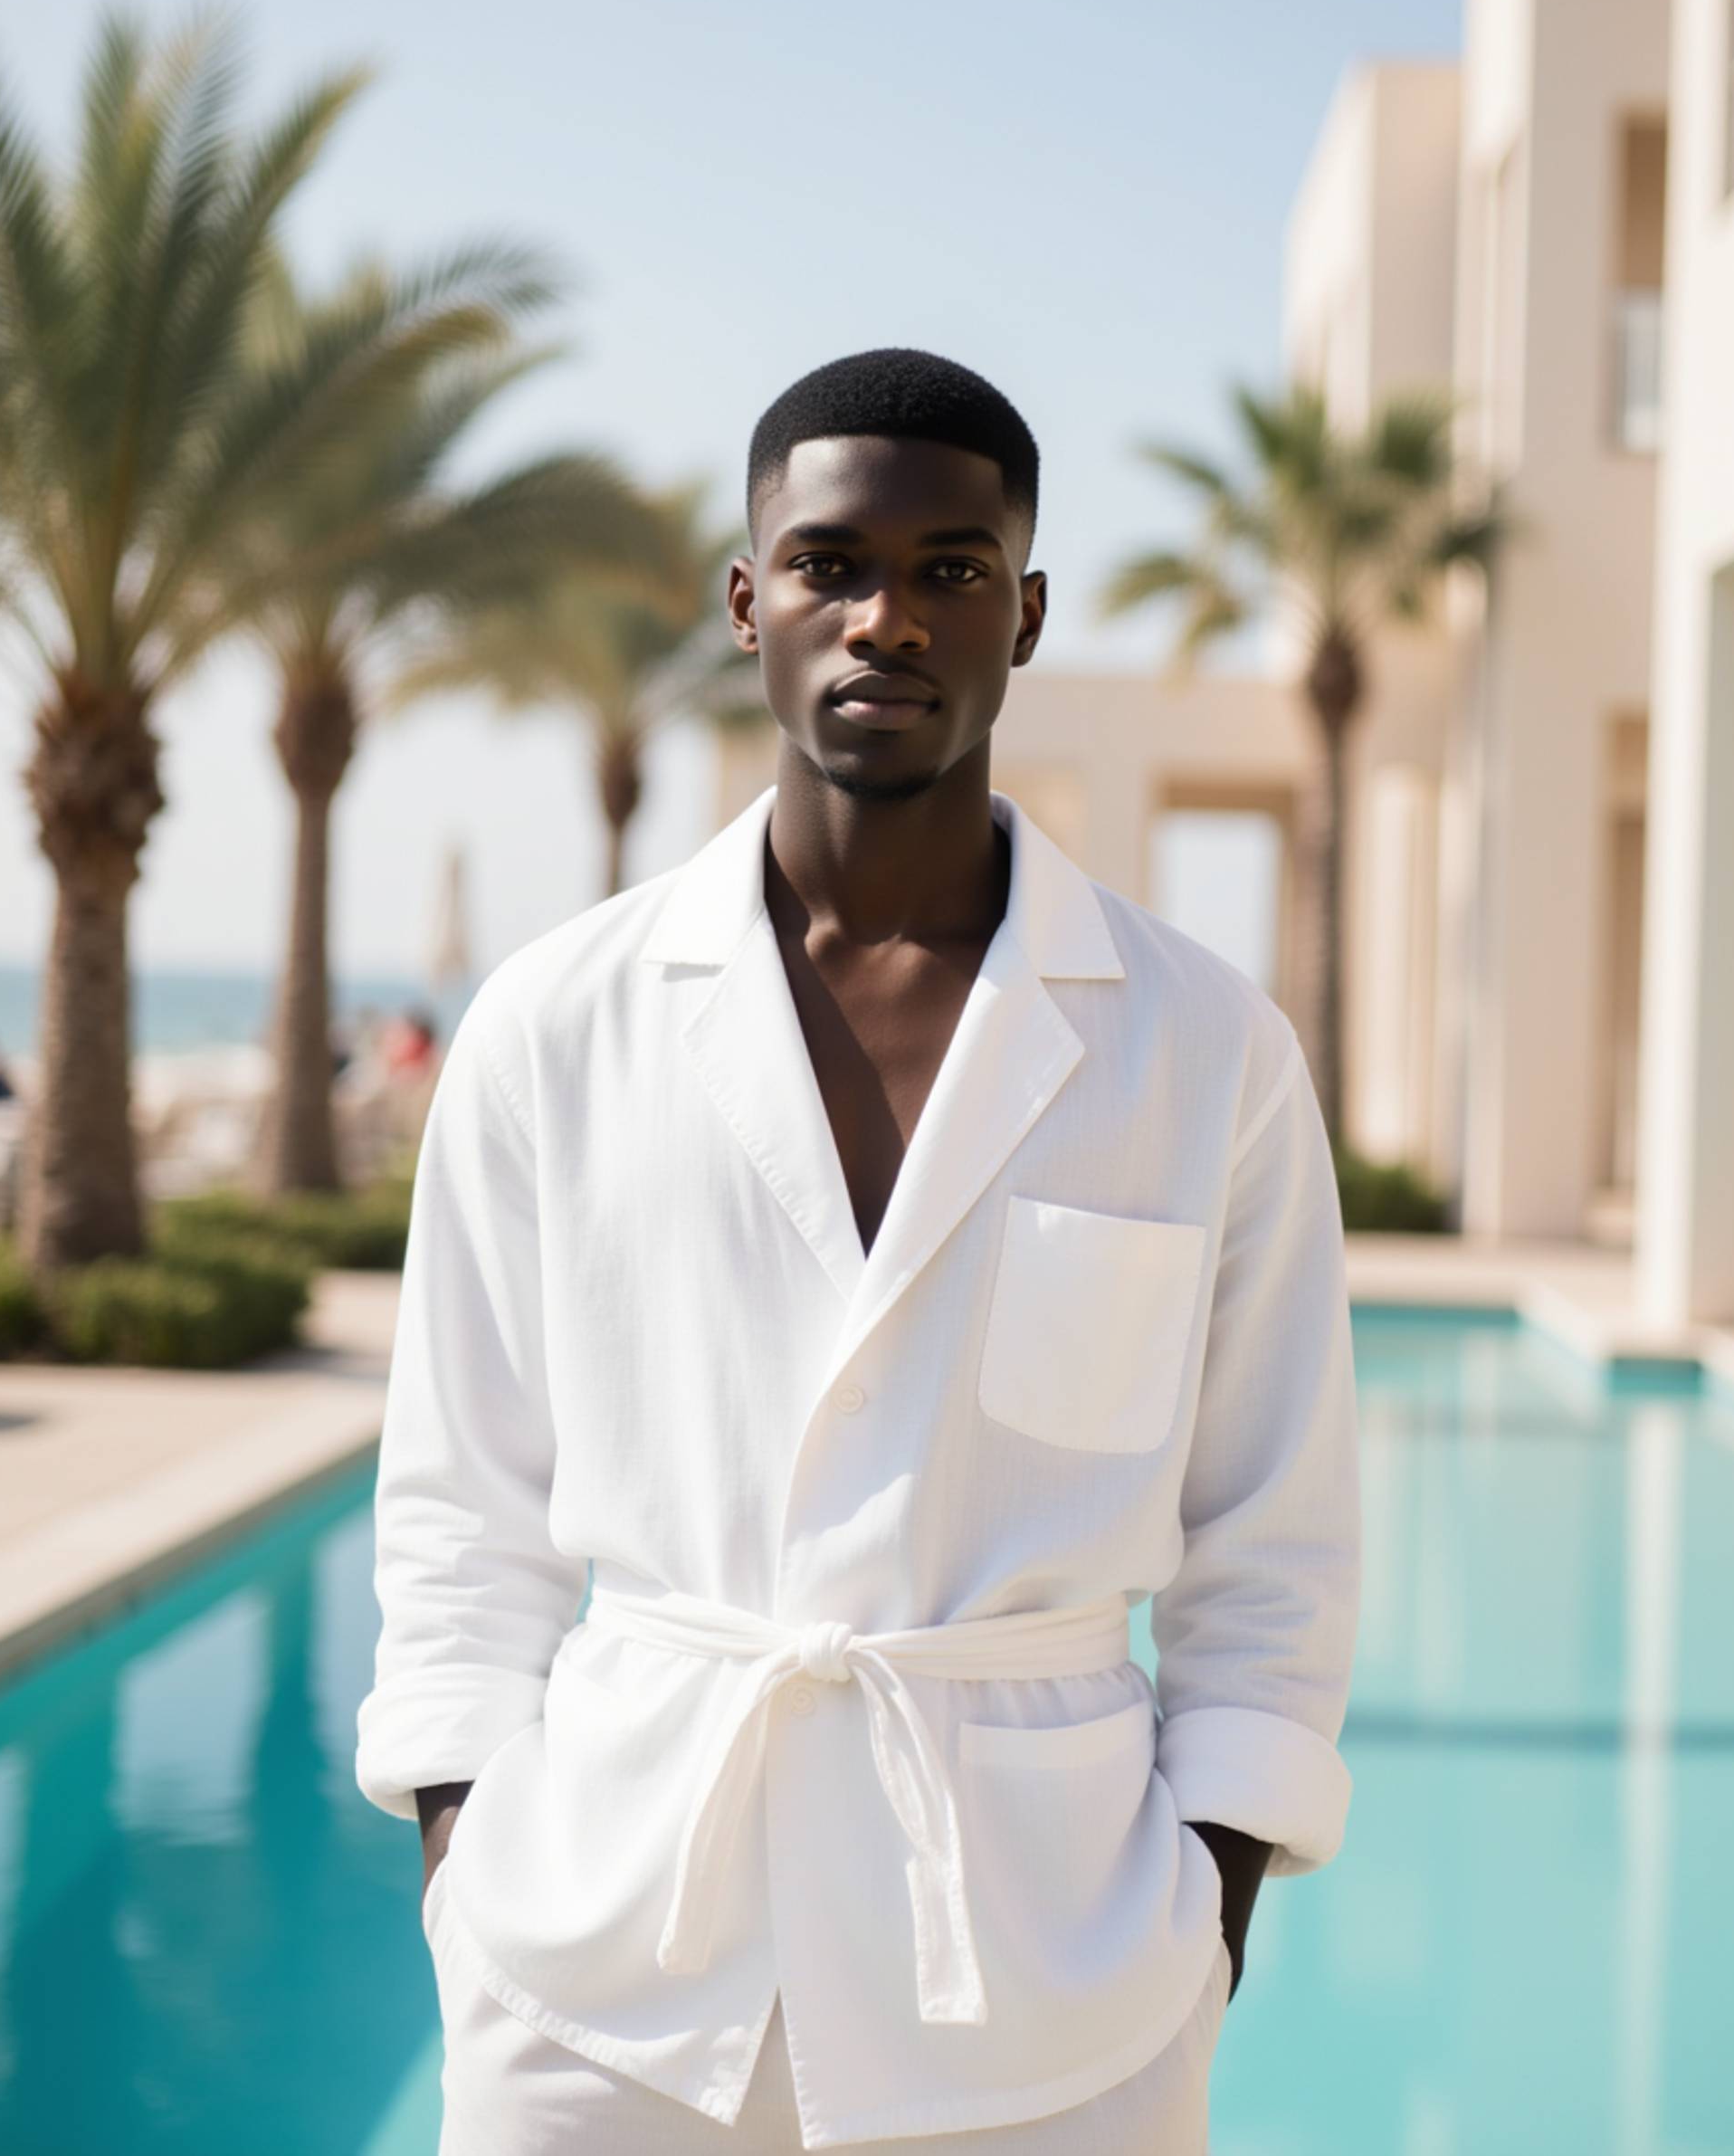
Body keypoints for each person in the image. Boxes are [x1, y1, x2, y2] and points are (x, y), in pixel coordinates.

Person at [355, 348, 1360, 2154]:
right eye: (830, 561)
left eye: (952, 568)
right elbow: (457, 1519)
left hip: (1050, 1992)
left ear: (1025, 614)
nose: (887, 615)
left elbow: (1273, 1551)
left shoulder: (1203, 1049)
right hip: (602, 1976)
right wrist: (467, 1877)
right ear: (747, 600)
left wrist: (1198, 1922)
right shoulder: (554, 1025)